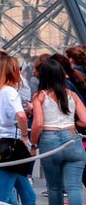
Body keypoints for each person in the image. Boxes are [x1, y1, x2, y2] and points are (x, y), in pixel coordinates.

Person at [32, 60, 86, 205]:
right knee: (74, 187)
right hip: (73, 137)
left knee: (54, 187)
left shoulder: (40, 96)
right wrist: (71, 125)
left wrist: (32, 144)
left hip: (49, 139)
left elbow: (37, 124)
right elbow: (85, 120)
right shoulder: (72, 95)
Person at [0, 55, 35, 205]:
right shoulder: (10, 92)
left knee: (28, 194)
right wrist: (25, 136)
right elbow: (20, 115)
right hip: (10, 147)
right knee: (1, 195)